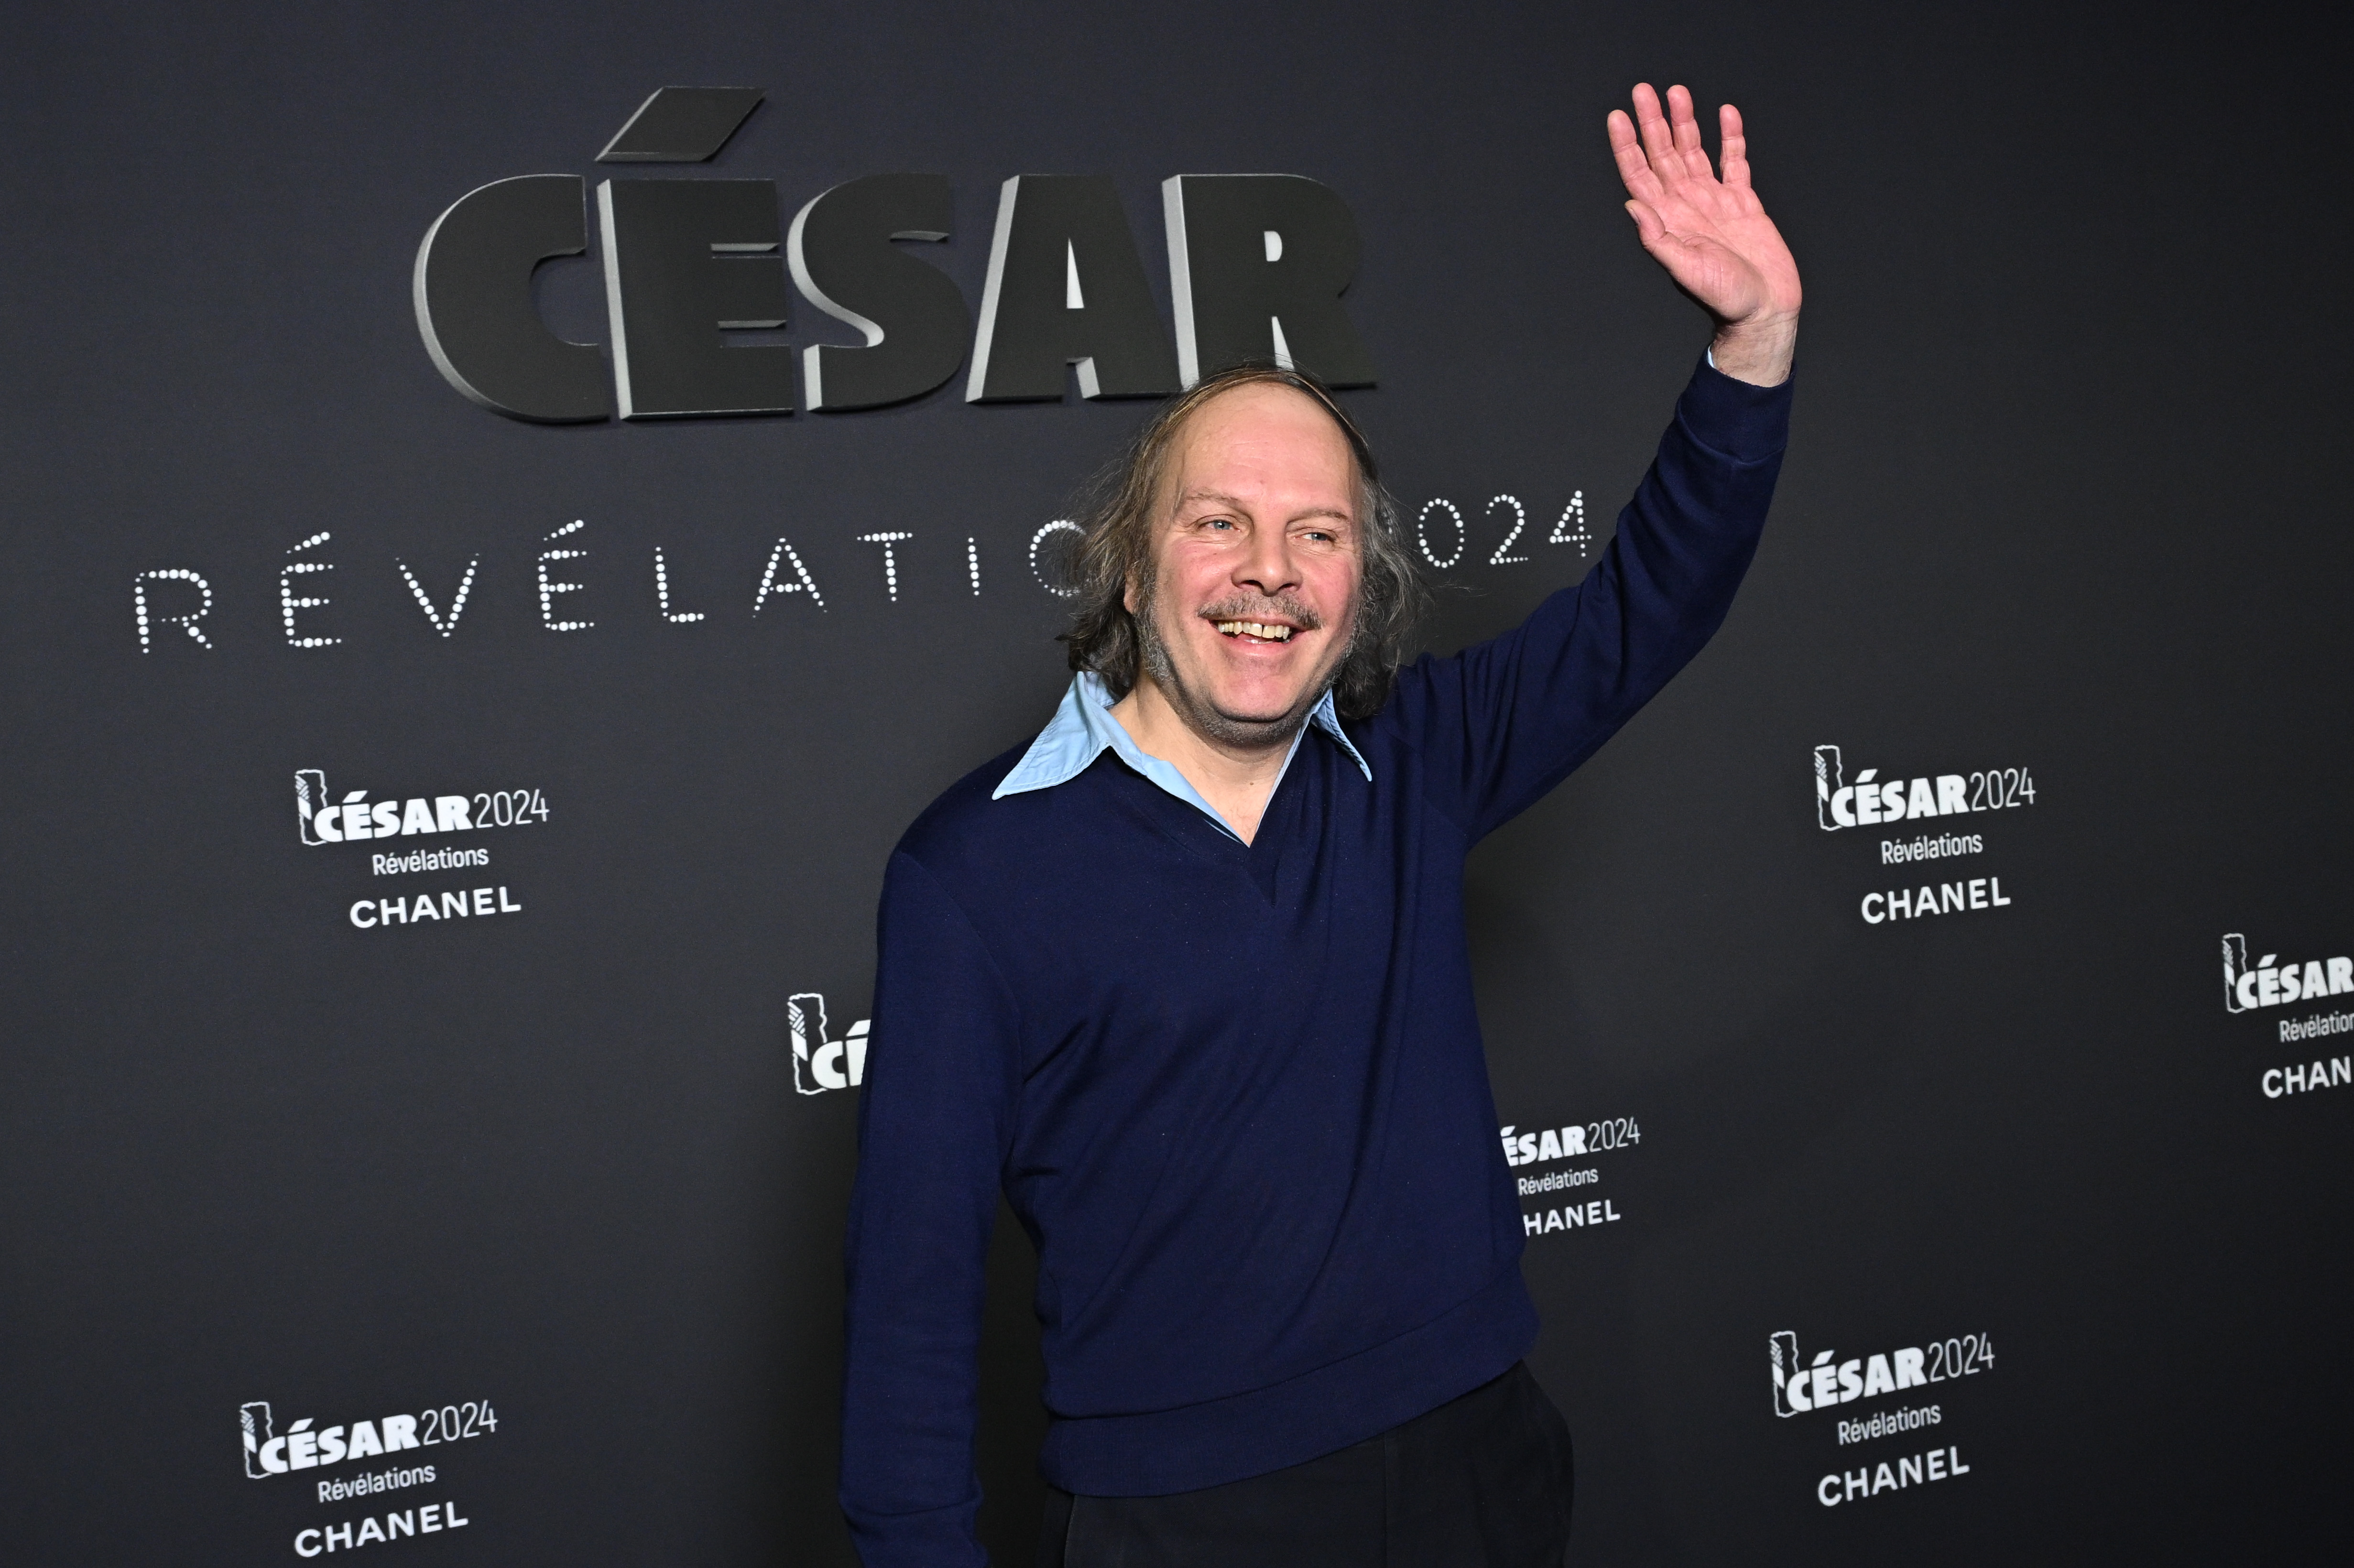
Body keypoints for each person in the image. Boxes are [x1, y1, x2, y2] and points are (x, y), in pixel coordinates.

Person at [838, 82, 1801, 1567]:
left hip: (1478, 1461)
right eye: (1217, 520)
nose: (1267, 569)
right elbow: (909, 1298)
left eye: (1319, 530)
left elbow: (1646, 606)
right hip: (1184, 1518)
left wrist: (1753, 343)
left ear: (1362, 581)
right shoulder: (972, 874)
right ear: (1132, 559)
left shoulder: (1410, 762)